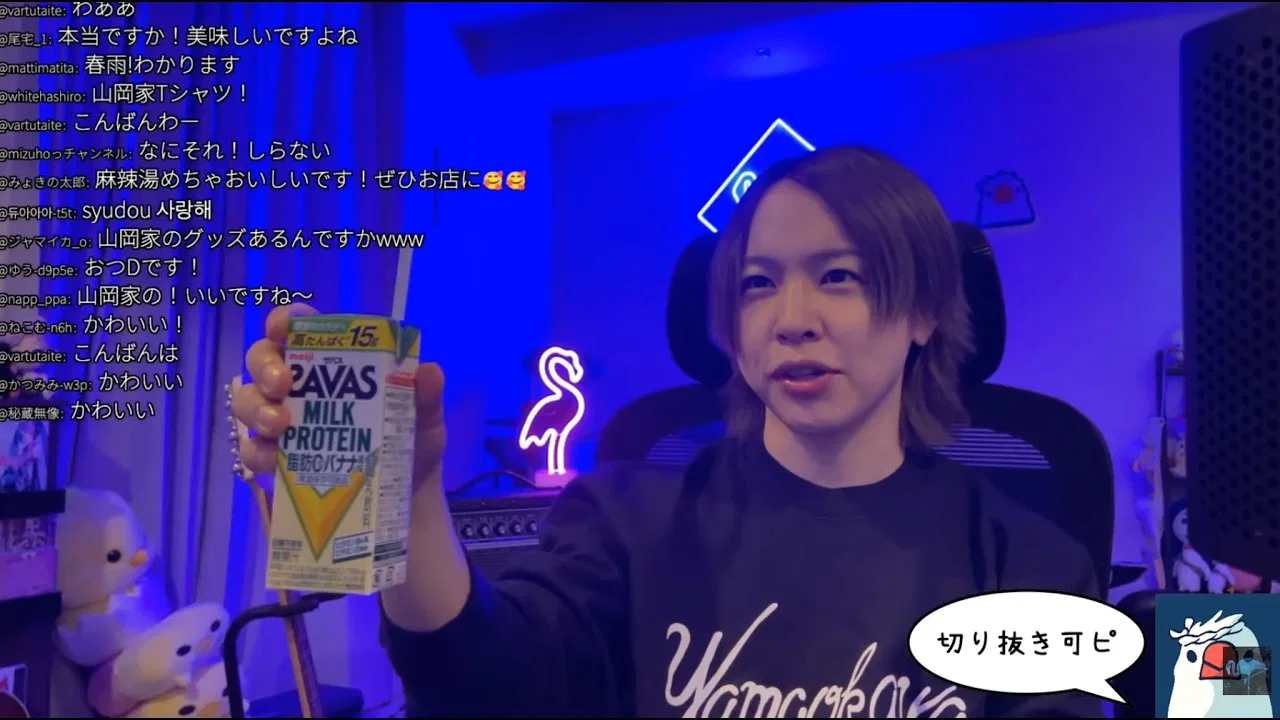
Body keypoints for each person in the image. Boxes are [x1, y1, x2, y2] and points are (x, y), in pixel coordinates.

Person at [232, 146, 1103, 718]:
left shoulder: (1028, 562)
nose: (791, 319)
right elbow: (483, 683)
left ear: (922, 312)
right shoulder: (625, 517)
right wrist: (410, 495)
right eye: (758, 284)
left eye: (839, 276)